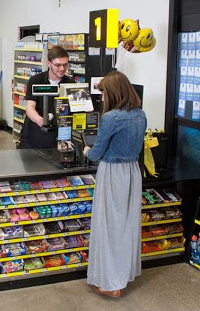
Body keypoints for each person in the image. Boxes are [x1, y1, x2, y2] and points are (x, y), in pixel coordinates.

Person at [82, 71, 147, 298]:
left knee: (108, 228)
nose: (103, 98)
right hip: (132, 172)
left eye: (104, 93)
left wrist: (87, 150)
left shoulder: (111, 118)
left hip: (112, 173)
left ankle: (111, 284)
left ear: (113, 93)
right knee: (126, 226)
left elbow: (97, 153)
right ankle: (121, 277)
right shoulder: (140, 115)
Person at [20, 46, 74, 149]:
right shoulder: (36, 80)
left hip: (58, 138)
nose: (62, 68)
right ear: (48, 63)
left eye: (65, 65)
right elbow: (30, 107)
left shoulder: (70, 84)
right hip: (35, 137)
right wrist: (41, 121)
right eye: (58, 65)